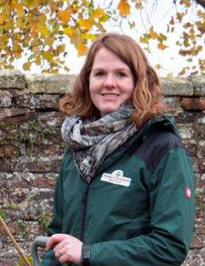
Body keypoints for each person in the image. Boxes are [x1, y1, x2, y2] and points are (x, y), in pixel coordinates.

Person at [42, 33, 195, 266]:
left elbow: (169, 246)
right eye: (100, 73)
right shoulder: (76, 148)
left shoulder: (162, 148)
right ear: (87, 81)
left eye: (121, 74)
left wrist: (88, 253)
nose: (109, 83)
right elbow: (57, 235)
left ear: (137, 82)